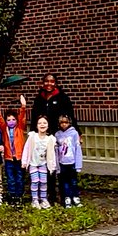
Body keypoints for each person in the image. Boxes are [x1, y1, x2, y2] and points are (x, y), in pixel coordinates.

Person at [30, 73, 77, 203]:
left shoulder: (62, 97)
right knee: (46, 164)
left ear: (55, 83)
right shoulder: (39, 98)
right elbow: (34, 117)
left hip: (59, 136)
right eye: (46, 81)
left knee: (59, 165)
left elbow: (70, 116)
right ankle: (48, 195)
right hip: (43, 136)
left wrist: (77, 133)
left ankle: (64, 196)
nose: (49, 84)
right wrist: (32, 134)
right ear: (42, 83)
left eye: (52, 81)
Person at [0, 93, 27, 205]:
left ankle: (19, 196)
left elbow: (22, 117)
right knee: (10, 179)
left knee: (19, 177)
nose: (11, 121)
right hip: (9, 158)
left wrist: (23, 106)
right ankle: (12, 195)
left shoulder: (20, 128)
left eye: (13, 119)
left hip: (19, 158)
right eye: (9, 120)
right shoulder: (4, 129)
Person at [21, 116, 57, 209]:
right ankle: (35, 200)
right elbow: (26, 149)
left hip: (43, 164)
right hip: (33, 164)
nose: (42, 125)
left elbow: (51, 154)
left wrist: (53, 166)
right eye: (40, 123)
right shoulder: (32, 137)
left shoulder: (50, 139)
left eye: (44, 123)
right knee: (35, 181)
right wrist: (24, 161)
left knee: (44, 182)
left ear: (48, 126)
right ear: (36, 126)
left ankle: (43, 199)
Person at [54, 114, 83, 207]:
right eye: (62, 122)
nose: (64, 124)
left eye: (66, 122)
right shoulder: (57, 134)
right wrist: (57, 166)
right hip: (62, 163)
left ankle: (75, 197)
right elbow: (56, 151)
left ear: (69, 123)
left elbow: (77, 149)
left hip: (72, 162)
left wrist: (78, 164)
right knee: (65, 182)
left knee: (73, 181)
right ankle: (67, 198)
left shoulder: (74, 133)